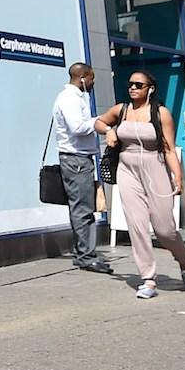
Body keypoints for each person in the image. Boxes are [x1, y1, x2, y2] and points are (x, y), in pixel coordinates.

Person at [95, 71, 185, 300]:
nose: (133, 88)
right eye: (130, 84)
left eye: (138, 84)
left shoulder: (161, 114)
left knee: (164, 229)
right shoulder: (121, 110)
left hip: (155, 167)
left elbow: (168, 148)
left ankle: (184, 260)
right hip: (127, 170)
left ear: (150, 88)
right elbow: (99, 121)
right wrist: (109, 131)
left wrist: (177, 177)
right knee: (136, 226)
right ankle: (148, 279)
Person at [51, 63, 112, 275]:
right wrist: (100, 122)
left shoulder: (76, 97)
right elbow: (77, 127)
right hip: (75, 160)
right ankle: (86, 256)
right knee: (82, 209)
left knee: (82, 208)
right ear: (83, 77)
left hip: (80, 159)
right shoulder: (68, 99)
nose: (93, 82)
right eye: (92, 78)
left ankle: (83, 252)